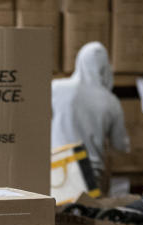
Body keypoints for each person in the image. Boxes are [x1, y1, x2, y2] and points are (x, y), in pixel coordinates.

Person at [51, 42, 130, 186]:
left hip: (56, 169)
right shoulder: (111, 101)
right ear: (105, 67)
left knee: (54, 208)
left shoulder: (57, 88)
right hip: (90, 175)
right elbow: (120, 145)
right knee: (87, 208)